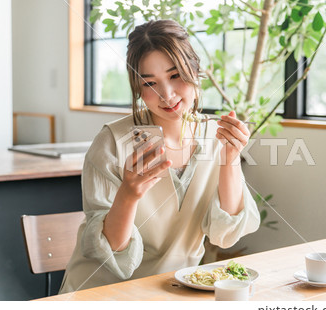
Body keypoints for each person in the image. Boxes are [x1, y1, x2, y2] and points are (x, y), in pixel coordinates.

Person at [59, 19, 260, 293]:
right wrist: (129, 194)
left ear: (195, 70)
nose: (166, 95)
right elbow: (110, 253)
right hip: (102, 295)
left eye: (175, 75)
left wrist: (231, 157)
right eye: (150, 83)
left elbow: (226, 235)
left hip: (174, 292)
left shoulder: (216, 135)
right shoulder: (111, 142)